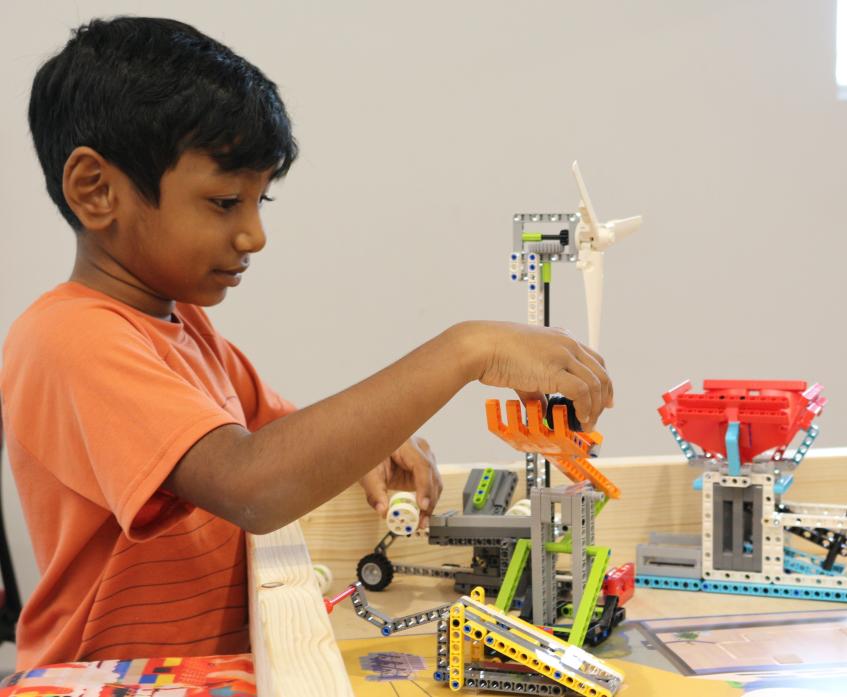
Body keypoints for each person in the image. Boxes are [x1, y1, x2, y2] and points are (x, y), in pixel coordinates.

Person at [0, 16, 613, 669]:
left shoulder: (183, 328)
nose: (254, 234)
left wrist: (371, 452)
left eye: (261, 200)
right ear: (97, 190)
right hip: (117, 681)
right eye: (225, 201)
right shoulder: (70, 337)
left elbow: (288, 450)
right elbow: (253, 483)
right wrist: (466, 349)